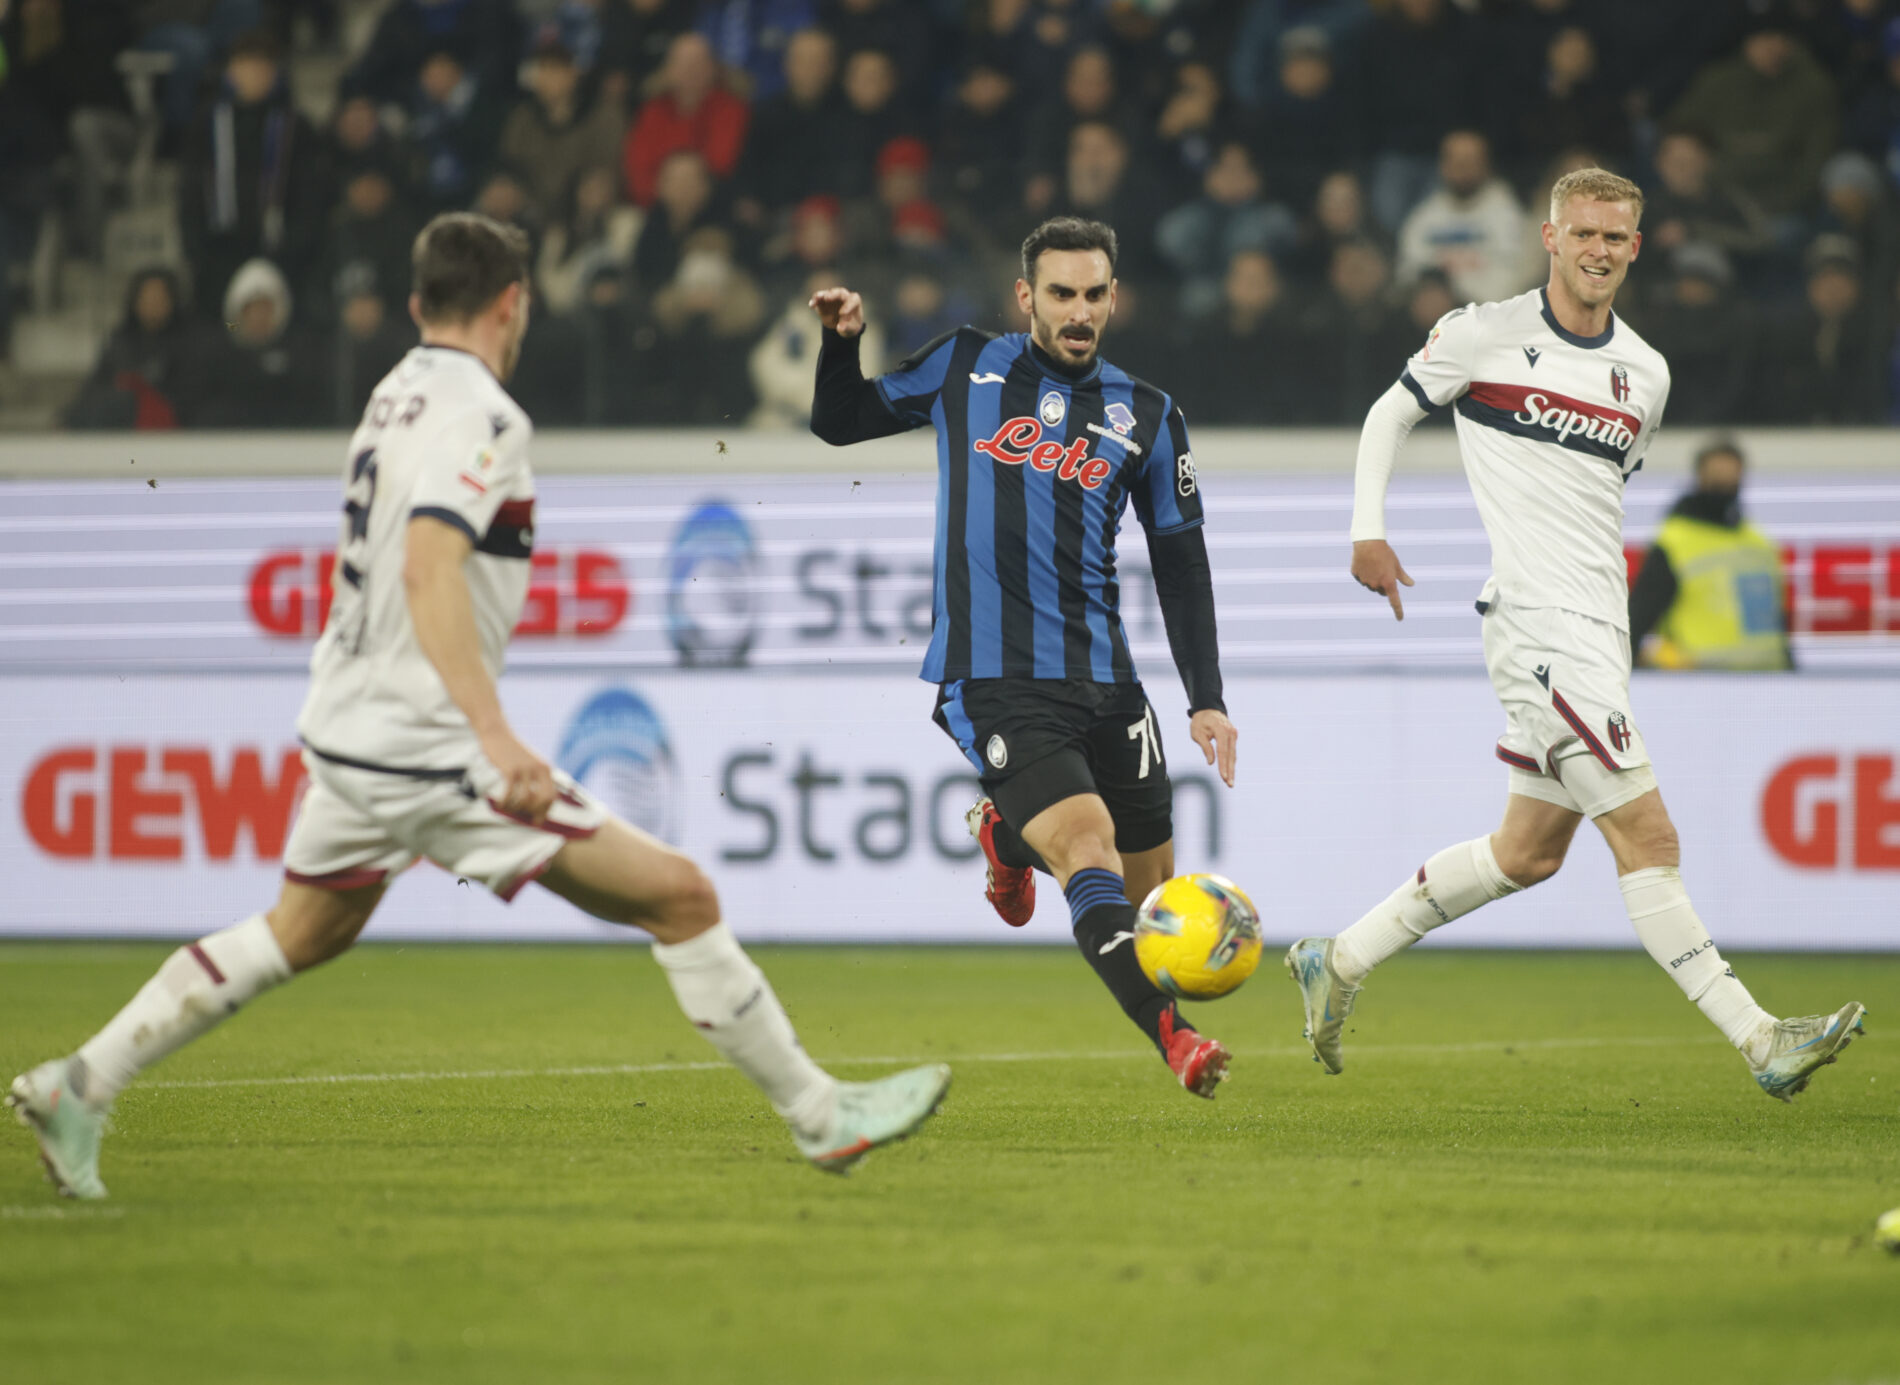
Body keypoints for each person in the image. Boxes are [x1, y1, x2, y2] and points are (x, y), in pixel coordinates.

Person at [8, 212, 949, 1202]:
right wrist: (494, 737)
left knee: (303, 930)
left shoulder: (393, 393)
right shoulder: (487, 418)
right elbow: (427, 565)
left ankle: (80, 1082)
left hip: (348, 719)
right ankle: (818, 1112)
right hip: (422, 740)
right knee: (679, 895)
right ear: (515, 303)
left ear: (418, 303)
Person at [1285, 168, 1864, 1102]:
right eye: (1583, 233)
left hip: (1602, 631)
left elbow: (1599, 495)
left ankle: (1341, 957)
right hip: (1535, 625)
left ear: (1636, 249)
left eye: (1616, 238)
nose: (1598, 250)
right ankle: (1761, 1037)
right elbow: (1390, 412)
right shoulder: (1484, 333)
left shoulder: (1647, 374)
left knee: (1529, 853)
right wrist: (1367, 530)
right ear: (1549, 239)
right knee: (1649, 831)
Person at [807, 217, 1242, 1099]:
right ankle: (1178, 1040)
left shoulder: (1150, 416)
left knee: (1150, 896)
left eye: (1093, 295)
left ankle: (1004, 833)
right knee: (1089, 849)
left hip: (1110, 683)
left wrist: (1206, 697)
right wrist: (839, 346)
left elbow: (1181, 561)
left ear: (1114, 298)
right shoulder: (968, 365)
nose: (1078, 312)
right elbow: (839, 422)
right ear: (1025, 298)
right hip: (995, 677)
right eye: (1060, 295)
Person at [1628, 439, 1793, 671]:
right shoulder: (1674, 543)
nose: (1724, 483)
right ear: (1699, 477)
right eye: (1716, 475)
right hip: (1704, 688)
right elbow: (1638, 620)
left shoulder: (1760, 545)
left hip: (1771, 683)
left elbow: (1777, 626)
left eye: (1731, 475)